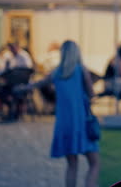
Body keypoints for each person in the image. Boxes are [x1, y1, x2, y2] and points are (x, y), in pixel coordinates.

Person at [16, 40, 99, 187]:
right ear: (76, 53)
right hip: (81, 124)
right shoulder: (81, 70)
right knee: (94, 163)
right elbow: (92, 94)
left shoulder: (56, 73)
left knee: (72, 165)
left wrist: (23, 87)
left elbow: (38, 84)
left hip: (64, 125)